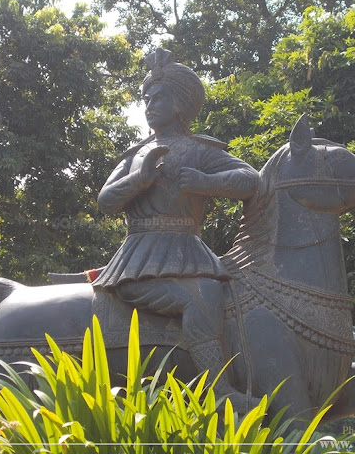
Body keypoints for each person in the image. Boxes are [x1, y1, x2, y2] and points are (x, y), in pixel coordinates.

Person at [93, 47, 260, 410]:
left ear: (181, 103)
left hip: (188, 250)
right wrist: (139, 179)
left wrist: (204, 181)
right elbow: (106, 201)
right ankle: (219, 392)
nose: (149, 105)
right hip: (139, 259)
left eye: (159, 96)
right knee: (197, 298)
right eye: (146, 98)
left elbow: (250, 179)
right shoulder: (136, 154)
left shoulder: (201, 150)